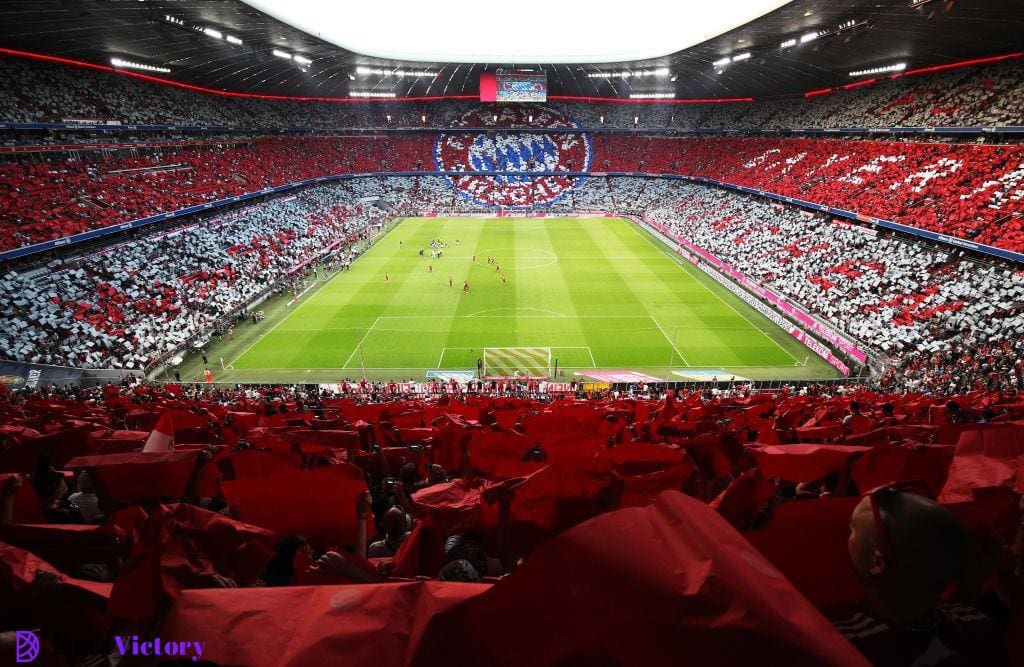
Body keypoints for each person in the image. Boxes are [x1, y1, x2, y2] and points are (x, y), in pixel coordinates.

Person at [834, 483, 1009, 665]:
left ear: (877, 562)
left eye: (852, 530)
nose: (847, 536)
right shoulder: (975, 623)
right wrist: (974, 579)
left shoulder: (840, 642)